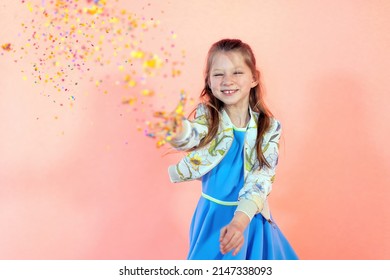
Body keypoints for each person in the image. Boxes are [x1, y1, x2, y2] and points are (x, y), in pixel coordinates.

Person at [161, 38, 298, 260]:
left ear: (254, 78)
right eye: (218, 74)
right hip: (212, 216)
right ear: (209, 81)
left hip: (247, 217)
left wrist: (239, 223)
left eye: (237, 73)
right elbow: (193, 136)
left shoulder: (269, 128)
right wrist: (177, 131)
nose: (227, 81)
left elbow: (261, 180)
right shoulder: (208, 117)